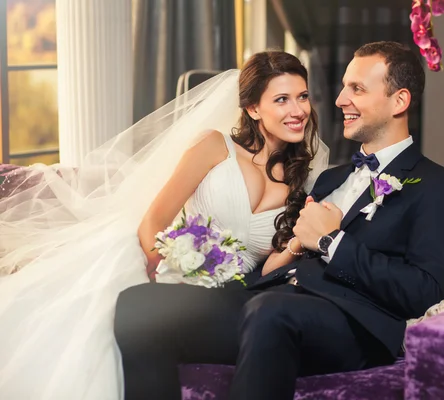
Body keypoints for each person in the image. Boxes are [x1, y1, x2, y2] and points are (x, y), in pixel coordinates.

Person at [114, 41, 444, 400]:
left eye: (357, 89)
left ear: (399, 101)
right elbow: (287, 256)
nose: (339, 100)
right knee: (139, 305)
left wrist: (333, 241)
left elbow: (425, 290)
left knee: (270, 312)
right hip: (273, 298)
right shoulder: (328, 180)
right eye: (345, 86)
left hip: (353, 322)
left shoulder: (441, 186)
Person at [0, 51, 328, 399]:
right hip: (171, 268)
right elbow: (155, 219)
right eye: (282, 99)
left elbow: (270, 267)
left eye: (302, 96)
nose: (298, 111)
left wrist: (296, 243)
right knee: (123, 315)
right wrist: (170, 267)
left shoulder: (302, 179)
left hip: (236, 293)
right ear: (252, 109)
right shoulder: (214, 146)